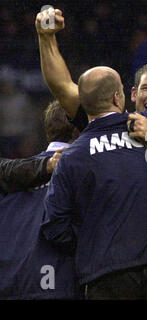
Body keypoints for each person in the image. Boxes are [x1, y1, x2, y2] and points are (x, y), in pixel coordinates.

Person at [41, 66, 147, 299]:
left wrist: (93, 241)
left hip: (105, 273)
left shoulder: (71, 158)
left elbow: (55, 226)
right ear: (119, 97)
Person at [0, 100, 80, 299]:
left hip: (9, 286)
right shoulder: (85, 174)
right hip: (59, 287)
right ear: (80, 130)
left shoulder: (10, 178)